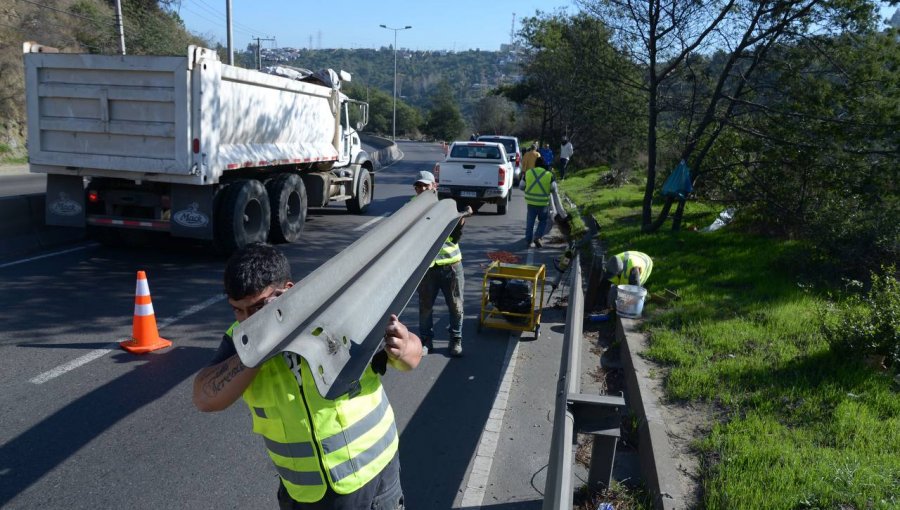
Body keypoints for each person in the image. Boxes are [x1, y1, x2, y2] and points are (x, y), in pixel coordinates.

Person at [193, 243, 422, 510]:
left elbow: (412, 359)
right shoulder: (241, 340)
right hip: (302, 493)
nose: (247, 321)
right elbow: (205, 399)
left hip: (372, 480)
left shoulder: (339, 315)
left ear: (288, 291)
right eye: (237, 310)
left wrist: (404, 348)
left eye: (257, 309)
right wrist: (259, 345)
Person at [413, 170, 470, 357]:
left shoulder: (445, 206)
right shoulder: (410, 209)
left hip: (451, 266)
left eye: (426, 186)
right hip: (427, 269)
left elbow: (455, 235)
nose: (422, 189)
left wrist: (461, 222)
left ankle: (456, 340)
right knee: (425, 307)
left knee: (455, 306)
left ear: (434, 186)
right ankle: (426, 341)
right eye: (419, 186)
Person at [523, 156, 555, 248]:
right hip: (543, 203)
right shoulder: (549, 175)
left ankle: (528, 240)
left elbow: (521, 186)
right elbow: (553, 188)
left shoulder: (528, 173)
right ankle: (538, 236)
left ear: (535, 164)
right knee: (543, 221)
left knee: (530, 222)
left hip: (531, 203)